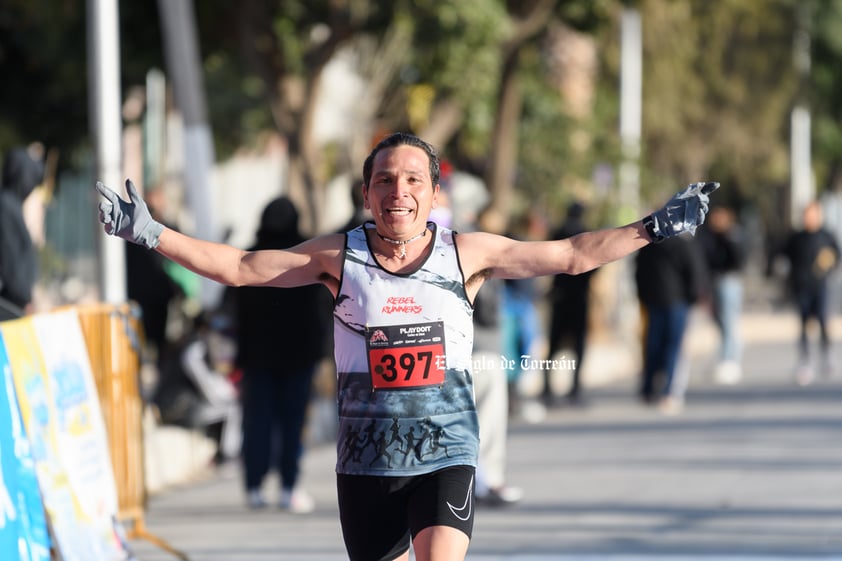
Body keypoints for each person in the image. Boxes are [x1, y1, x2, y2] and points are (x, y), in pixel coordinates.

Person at [95, 132, 717, 561]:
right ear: (367, 194)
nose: (399, 192)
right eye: (385, 181)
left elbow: (574, 256)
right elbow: (239, 265)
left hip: (446, 450)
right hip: (366, 461)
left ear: (433, 193)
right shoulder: (339, 257)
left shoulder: (465, 253)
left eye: (413, 180)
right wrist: (151, 233)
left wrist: (654, 227)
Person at [225, 196, 331, 513]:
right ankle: (289, 486)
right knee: (293, 422)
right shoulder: (306, 257)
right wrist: (323, 352)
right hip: (299, 354)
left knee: (257, 421)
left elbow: (229, 303)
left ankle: (254, 487)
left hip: (257, 355)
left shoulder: (250, 255)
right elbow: (322, 310)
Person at [469, 207, 522, 507]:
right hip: (481, 348)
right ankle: (487, 481)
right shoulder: (474, 243)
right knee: (486, 418)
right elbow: (487, 307)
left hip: (457, 350)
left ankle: (477, 482)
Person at [635, 233, 709, 414]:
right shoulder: (683, 244)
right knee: (673, 347)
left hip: (656, 301)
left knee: (653, 345)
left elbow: (639, 273)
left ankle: (648, 389)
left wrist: (644, 297)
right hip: (677, 302)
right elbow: (694, 272)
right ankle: (668, 392)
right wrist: (692, 298)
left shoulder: (649, 245)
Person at [542, 201, 596, 407]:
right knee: (578, 345)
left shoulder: (558, 232)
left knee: (554, 344)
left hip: (560, 295)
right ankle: (574, 388)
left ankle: (547, 387)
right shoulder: (585, 234)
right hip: (578, 296)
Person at [781, 201, 840, 384]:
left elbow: (836, 256)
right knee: (804, 322)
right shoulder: (796, 238)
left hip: (820, 286)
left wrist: (829, 263)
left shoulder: (826, 235)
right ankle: (804, 361)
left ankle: (826, 356)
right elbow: (783, 256)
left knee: (823, 319)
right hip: (800, 286)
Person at [697, 205, 746, 384]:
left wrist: (728, 238)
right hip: (713, 281)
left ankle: (730, 361)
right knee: (718, 320)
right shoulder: (708, 236)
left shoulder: (733, 235)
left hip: (729, 281)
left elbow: (739, 259)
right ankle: (726, 356)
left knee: (728, 320)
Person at [0, 147, 44, 321]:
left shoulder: (12, 206)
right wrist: (22, 297)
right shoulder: (5, 207)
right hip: (10, 304)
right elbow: (10, 256)